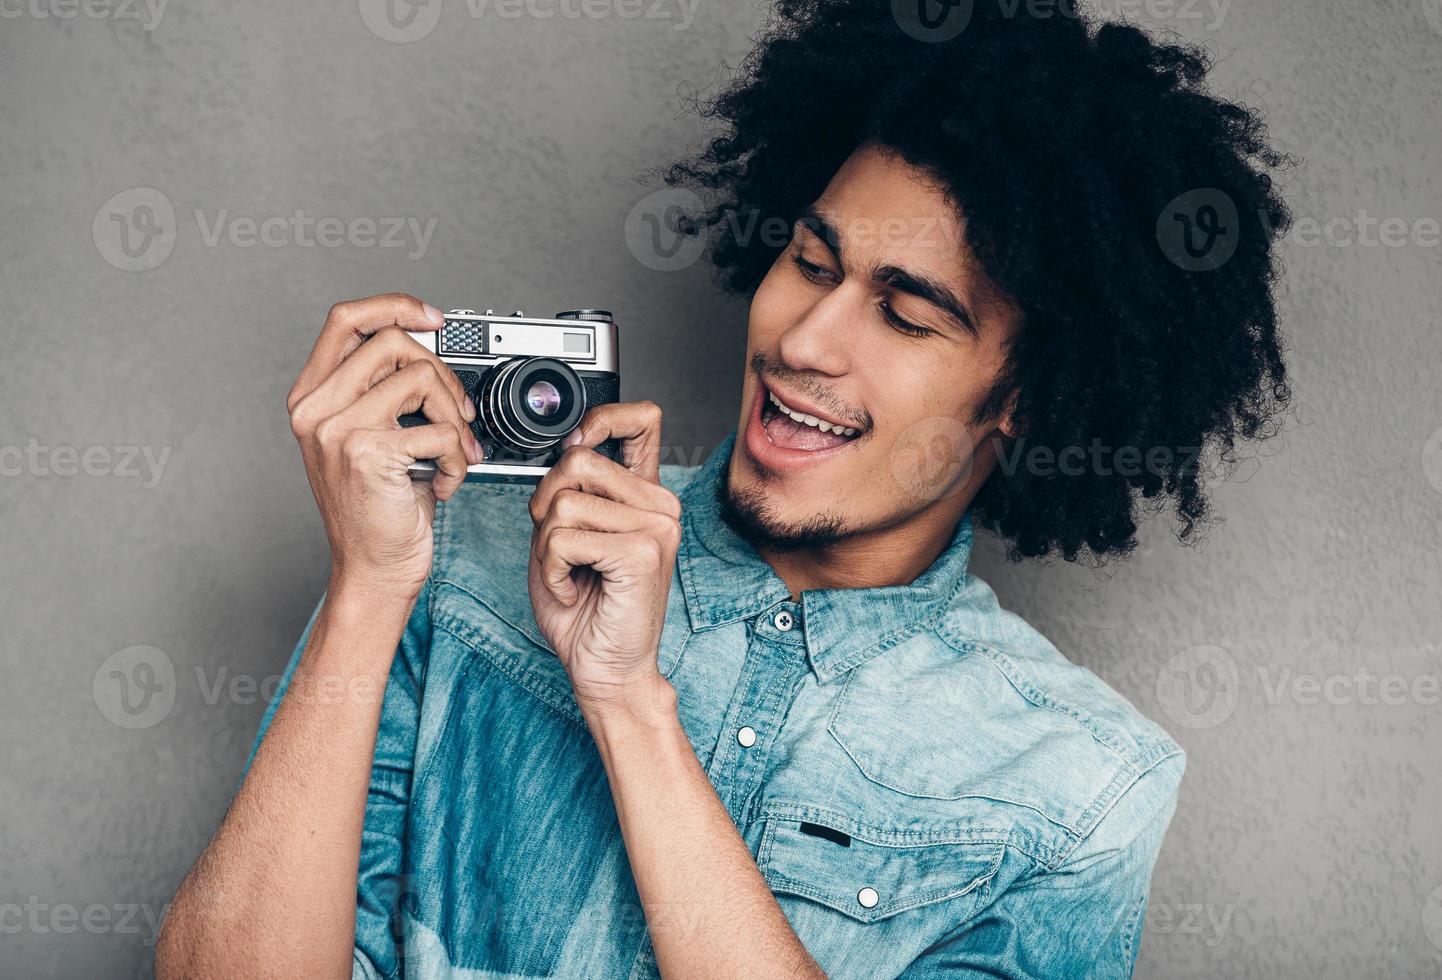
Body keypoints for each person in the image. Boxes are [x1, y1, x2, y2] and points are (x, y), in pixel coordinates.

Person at [157, 1, 1292, 976]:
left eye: (903, 313)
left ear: (1027, 398)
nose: (804, 338)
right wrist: (369, 583)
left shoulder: (1080, 788)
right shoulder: (451, 551)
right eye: (809, 260)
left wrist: (627, 699)